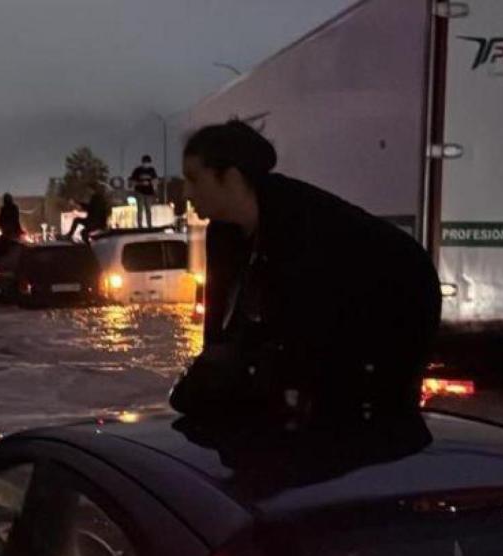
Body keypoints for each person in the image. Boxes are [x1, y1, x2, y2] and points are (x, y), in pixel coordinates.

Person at [170, 120, 441, 425]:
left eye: (193, 179)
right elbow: (220, 332)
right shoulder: (222, 232)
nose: (186, 192)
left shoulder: (303, 224)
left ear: (231, 178)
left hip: (400, 306)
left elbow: (299, 335)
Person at [129, 155, 158, 228]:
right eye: (145, 162)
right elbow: (132, 181)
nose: (146, 164)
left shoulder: (152, 170)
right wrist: (141, 183)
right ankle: (140, 225)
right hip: (139, 192)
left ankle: (149, 225)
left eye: (148, 162)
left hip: (149, 193)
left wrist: (152, 184)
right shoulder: (137, 170)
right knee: (140, 209)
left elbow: (155, 180)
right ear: (142, 162)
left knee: (148, 209)